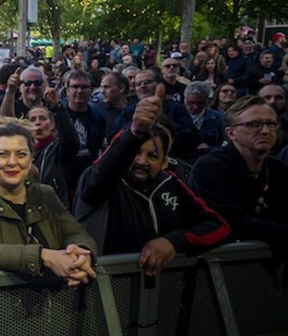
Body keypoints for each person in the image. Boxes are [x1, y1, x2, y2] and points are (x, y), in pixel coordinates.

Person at [74, 85, 230, 275]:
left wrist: (173, 242)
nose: (141, 161)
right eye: (136, 153)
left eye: (152, 156)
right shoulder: (103, 184)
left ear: (165, 161)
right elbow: (102, 173)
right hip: (106, 290)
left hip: (161, 293)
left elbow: (219, 226)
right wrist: (135, 133)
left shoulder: (171, 183)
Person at [0, 118, 97, 286]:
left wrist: (82, 255)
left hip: (55, 302)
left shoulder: (45, 193)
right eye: (3, 154)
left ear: (30, 160)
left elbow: (76, 232)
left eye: (21, 154)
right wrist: (44, 256)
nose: (12, 162)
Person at [189, 95, 288, 254]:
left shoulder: (277, 168)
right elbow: (233, 222)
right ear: (231, 133)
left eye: (270, 123)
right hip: (221, 263)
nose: (265, 130)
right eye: (254, 124)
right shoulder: (209, 168)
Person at [26, 88, 79, 207]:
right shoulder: (23, 152)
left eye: (43, 118)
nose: (38, 122)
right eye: (33, 120)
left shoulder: (58, 149)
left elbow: (71, 141)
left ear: (52, 124)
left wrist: (57, 107)